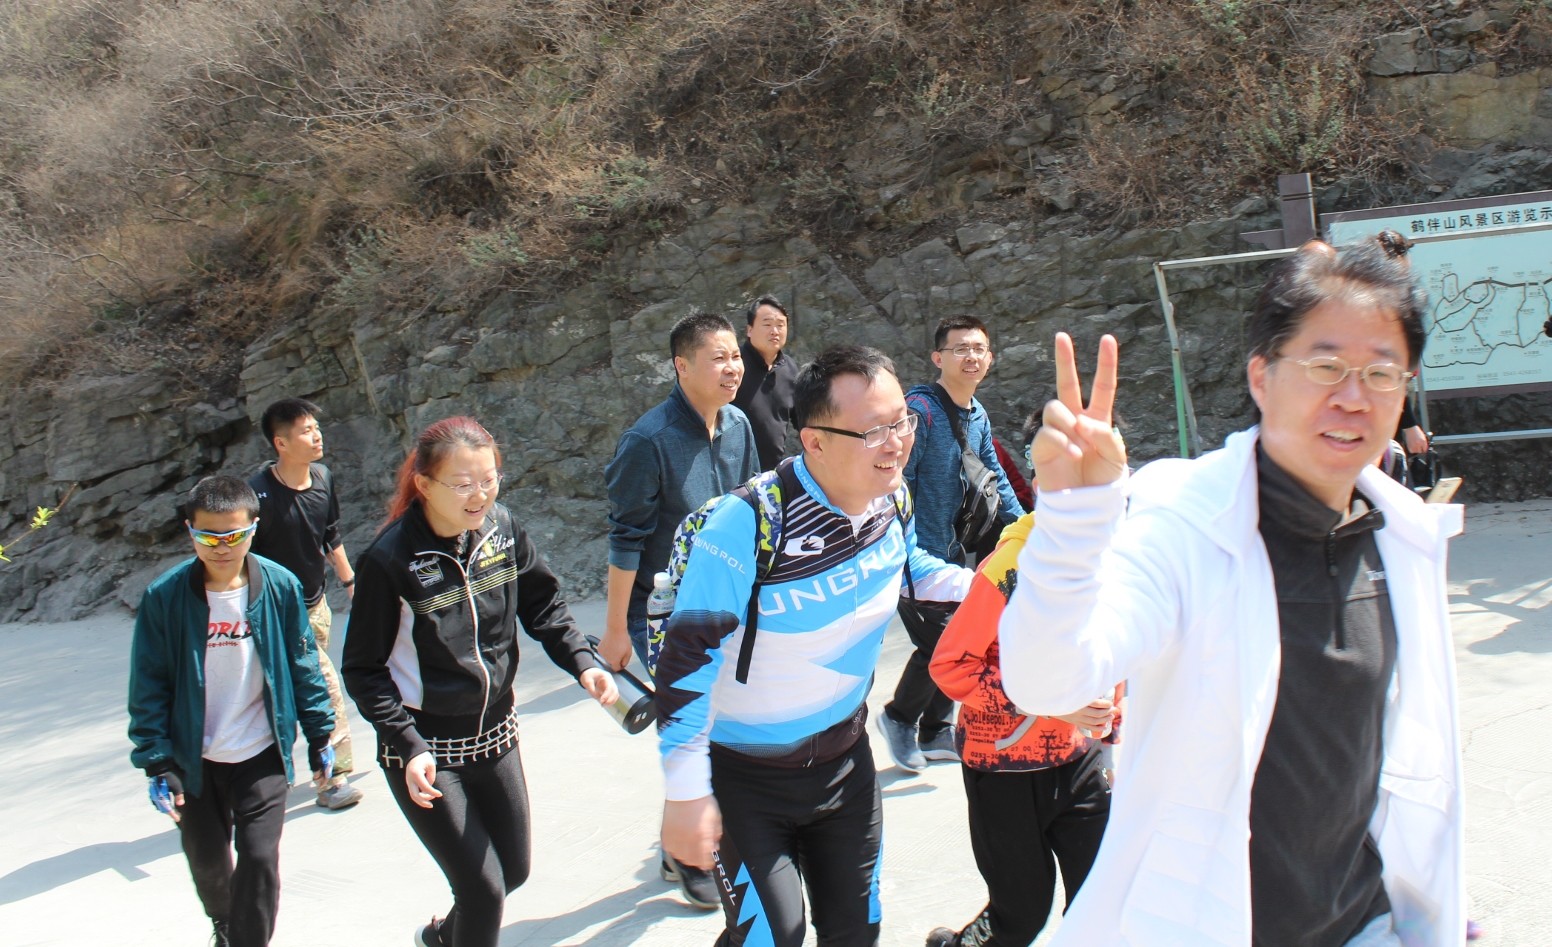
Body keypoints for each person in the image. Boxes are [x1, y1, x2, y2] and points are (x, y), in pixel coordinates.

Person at [998, 232, 1466, 946]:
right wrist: (1072, 520)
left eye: (1381, 373)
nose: (1352, 397)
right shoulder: (1185, 523)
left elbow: (1402, 766)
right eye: (1325, 366)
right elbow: (1048, 679)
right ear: (1261, 377)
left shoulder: (1400, 536)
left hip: (1363, 925)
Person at [656, 344, 974, 947]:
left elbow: (911, 567)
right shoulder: (746, 522)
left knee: (856, 933)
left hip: (846, 764)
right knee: (772, 937)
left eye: (902, 422)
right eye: (874, 430)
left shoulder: (891, 499)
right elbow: (686, 660)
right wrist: (685, 789)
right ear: (815, 442)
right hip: (745, 779)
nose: (896, 443)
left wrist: (992, 587)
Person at [342, 417, 616, 947]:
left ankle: (444, 938)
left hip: (495, 735)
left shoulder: (503, 529)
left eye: (489, 480)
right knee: (484, 890)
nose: (480, 495)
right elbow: (363, 668)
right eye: (463, 483)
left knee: (513, 871)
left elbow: (544, 607)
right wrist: (407, 743)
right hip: (425, 752)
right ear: (424, 484)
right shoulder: (390, 560)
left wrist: (584, 662)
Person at [925, 411, 1121, 947]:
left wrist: (1112, 720)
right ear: (1040, 479)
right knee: (1021, 916)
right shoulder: (1009, 568)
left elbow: (1115, 648)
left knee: (1103, 902)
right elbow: (950, 666)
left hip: (1081, 759)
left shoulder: (1115, 557)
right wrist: (1051, 702)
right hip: (1004, 769)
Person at [128, 475, 335, 947]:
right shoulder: (164, 596)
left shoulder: (280, 586)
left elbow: (303, 663)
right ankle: (223, 923)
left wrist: (320, 734)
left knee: (259, 859)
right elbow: (149, 682)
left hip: (260, 750)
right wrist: (156, 760)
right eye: (209, 537)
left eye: (235, 535)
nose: (223, 547)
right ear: (190, 531)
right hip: (194, 757)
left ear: (254, 529)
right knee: (207, 861)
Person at [601, 310, 759, 907]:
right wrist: (615, 631)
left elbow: (752, 509)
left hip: (728, 603)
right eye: (718, 358)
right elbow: (626, 539)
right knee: (692, 728)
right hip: (663, 615)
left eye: (735, 356)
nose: (732, 367)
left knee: (727, 727)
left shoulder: (738, 424)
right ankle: (687, 853)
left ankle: (705, 837)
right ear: (681, 366)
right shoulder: (648, 441)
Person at [878, 316, 1023, 772]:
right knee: (942, 644)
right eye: (960, 349)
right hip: (912, 552)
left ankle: (936, 728)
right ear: (938, 358)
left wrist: (1026, 528)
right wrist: (899, 544)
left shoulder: (977, 413)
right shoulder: (920, 411)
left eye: (978, 349)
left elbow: (995, 475)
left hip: (953, 549)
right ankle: (898, 717)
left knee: (965, 637)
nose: (971, 357)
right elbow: (894, 479)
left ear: (990, 358)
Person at [248, 397, 363, 810]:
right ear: (280, 443)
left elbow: (329, 534)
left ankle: (299, 772)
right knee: (322, 688)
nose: (317, 436)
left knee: (307, 690)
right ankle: (332, 778)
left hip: (316, 607)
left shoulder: (323, 478)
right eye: (305, 431)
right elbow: (242, 558)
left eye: (316, 427)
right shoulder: (257, 495)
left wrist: (350, 581)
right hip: (275, 614)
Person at [732, 294, 799, 471]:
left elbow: (802, 419)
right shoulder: (733, 366)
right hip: (733, 471)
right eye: (767, 324)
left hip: (770, 475)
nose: (775, 331)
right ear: (749, 330)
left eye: (780, 325)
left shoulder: (789, 368)